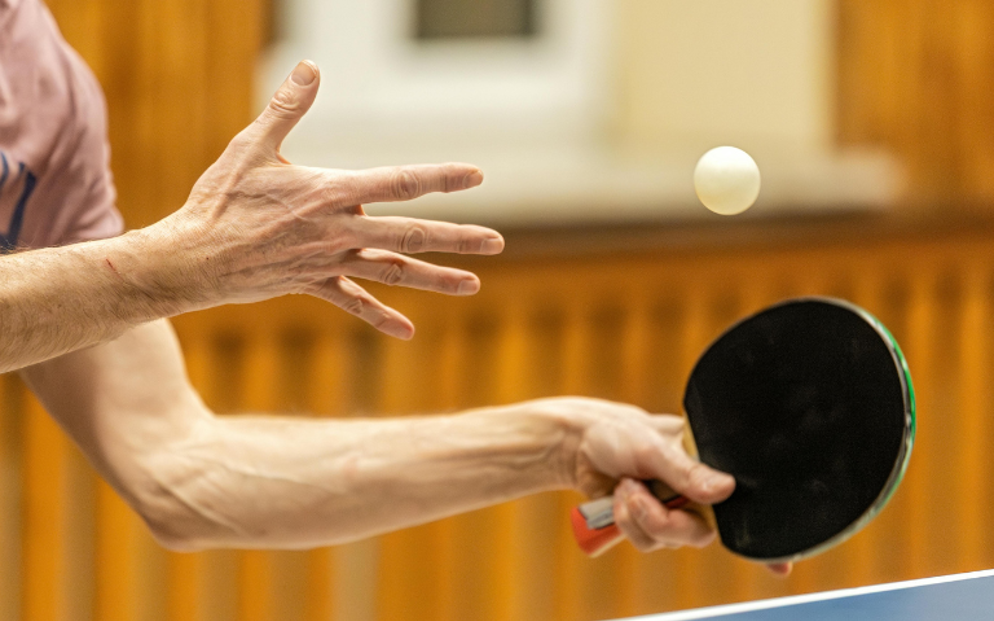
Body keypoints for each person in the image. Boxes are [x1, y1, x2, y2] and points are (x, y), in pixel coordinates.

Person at [0, 0, 790, 573]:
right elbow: (162, 280)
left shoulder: (47, 91)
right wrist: (174, 267)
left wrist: (558, 440)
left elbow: (177, 465)